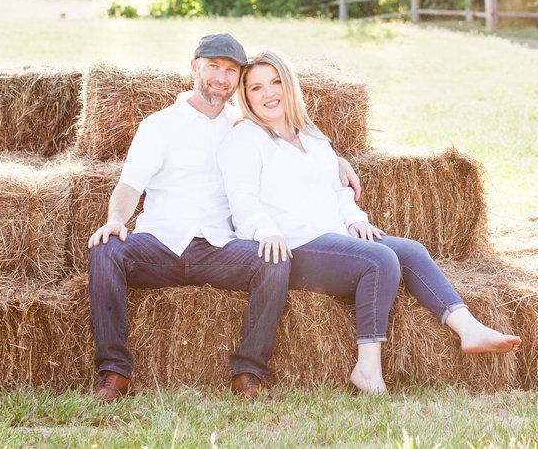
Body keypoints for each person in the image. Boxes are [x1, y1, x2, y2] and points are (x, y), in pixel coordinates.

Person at [218, 49, 521, 394]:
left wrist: (354, 220)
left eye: (275, 83)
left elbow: (337, 190)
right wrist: (266, 230)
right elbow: (241, 199)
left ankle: (468, 328)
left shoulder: (312, 136)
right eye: (256, 88)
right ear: (246, 97)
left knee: (409, 251)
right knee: (378, 259)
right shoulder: (245, 138)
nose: (268, 93)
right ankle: (367, 369)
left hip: (332, 237)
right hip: (289, 247)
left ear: (290, 86)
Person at [85, 33, 361, 403]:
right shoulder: (160, 125)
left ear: (238, 81)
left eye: (231, 70)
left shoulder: (244, 126)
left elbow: (297, 139)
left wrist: (337, 161)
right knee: (105, 251)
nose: (221, 76)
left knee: (274, 260)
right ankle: (115, 373)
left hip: (221, 248)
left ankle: (248, 372)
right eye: (213, 65)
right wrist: (116, 220)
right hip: (160, 245)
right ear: (194, 66)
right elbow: (129, 185)